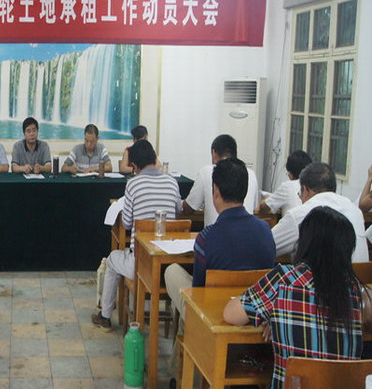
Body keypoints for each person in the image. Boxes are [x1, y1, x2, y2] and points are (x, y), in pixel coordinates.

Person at [224, 206, 364, 389]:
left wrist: (273, 314)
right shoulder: (354, 289)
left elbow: (231, 314)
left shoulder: (284, 279)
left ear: (305, 242)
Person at [165, 158, 275, 315]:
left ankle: (188, 328)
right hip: (252, 313)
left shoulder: (206, 237)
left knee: (172, 271)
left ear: (216, 192)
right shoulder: (266, 231)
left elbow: (198, 292)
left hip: (211, 315)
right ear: (245, 191)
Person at [92, 140, 181, 331]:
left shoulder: (133, 184)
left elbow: (126, 223)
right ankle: (150, 314)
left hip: (140, 264)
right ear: (154, 158)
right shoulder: (172, 182)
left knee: (112, 259)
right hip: (168, 264)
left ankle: (105, 316)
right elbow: (177, 212)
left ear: (134, 165)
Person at [271, 162, 368, 262]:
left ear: (305, 189)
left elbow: (265, 246)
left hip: (326, 272)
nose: (301, 198)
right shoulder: (354, 210)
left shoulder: (300, 214)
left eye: (300, 194)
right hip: (362, 272)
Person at [182, 134, 259, 226]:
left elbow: (188, 209)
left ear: (214, 153)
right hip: (247, 231)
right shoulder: (251, 174)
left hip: (216, 231)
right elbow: (255, 207)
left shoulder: (206, 171)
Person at [259, 150, 312, 215]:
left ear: (290, 174)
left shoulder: (287, 187)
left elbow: (263, 208)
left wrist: (266, 198)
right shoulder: (315, 187)